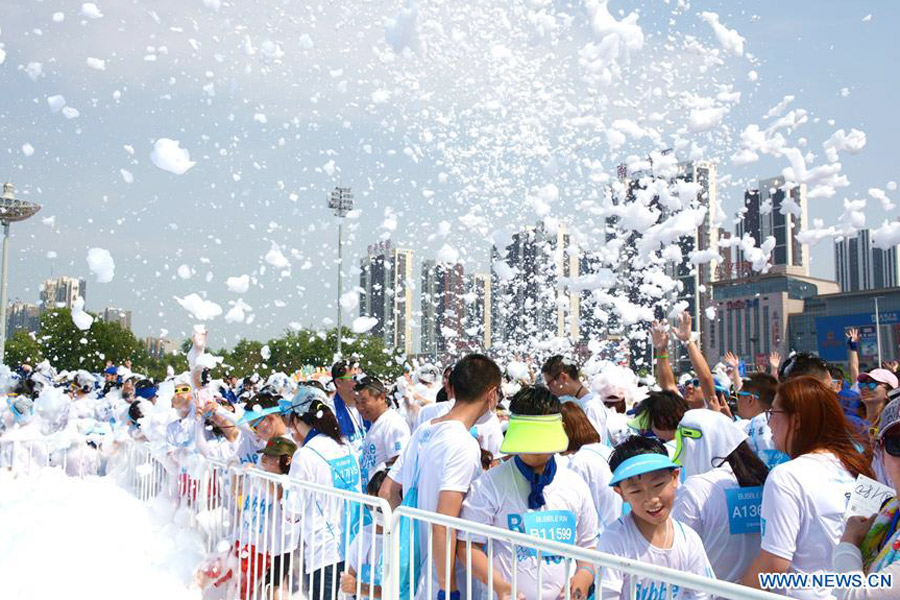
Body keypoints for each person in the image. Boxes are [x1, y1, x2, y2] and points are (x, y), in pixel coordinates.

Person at [381, 353, 502, 599]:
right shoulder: (463, 444)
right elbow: (443, 523)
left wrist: (404, 546)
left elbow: (387, 491)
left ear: (453, 387)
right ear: (491, 394)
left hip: (417, 571)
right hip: (450, 577)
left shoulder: (425, 430)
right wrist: (449, 588)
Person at [742, 377, 876, 599]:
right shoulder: (855, 466)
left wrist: (729, 594)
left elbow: (774, 563)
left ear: (796, 421)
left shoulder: (786, 477)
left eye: (773, 413)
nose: (768, 423)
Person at [460, 386, 599, 599]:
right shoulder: (488, 485)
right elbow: (469, 546)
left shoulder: (575, 485)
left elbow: (588, 545)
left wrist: (583, 577)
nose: (534, 448)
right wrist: (500, 586)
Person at [597, 436, 714, 600]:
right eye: (636, 491)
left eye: (658, 485)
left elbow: (702, 595)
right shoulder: (614, 540)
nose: (651, 499)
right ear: (621, 493)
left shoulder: (689, 539)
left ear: (674, 478)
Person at [282, 385, 362, 600]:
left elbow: (293, 511)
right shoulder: (345, 446)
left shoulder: (305, 455)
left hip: (324, 550)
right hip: (353, 544)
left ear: (298, 420)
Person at [671, 409, 769, 583]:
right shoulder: (764, 479)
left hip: (711, 592)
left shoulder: (696, 488)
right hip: (762, 591)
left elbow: (679, 554)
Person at [833, 398, 900, 599]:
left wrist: (848, 542)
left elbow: (859, 596)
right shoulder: (890, 510)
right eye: (898, 444)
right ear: (880, 452)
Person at [232, 436, 299, 600]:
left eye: (271, 456)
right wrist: (236, 469)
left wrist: (257, 473)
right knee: (245, 585)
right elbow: (236, 493)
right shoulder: (259, 475)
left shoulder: (287, 481)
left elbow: (278, 493)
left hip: (279, 547)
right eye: (265, 454)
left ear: (287, 460)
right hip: (255, 544)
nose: (265, 458)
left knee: (272, 588)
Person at [560, 402, 622, 535]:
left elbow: (572, 507)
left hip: (599, 535)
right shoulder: (606, 450)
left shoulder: (579, 462)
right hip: (619, 529)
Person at [340, 470, 390, 599]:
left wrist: (361, 588)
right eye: (370, 505)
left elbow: (400, 590)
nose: (374, 511)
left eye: (379, 507)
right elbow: (349, 578)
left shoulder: (403, 541)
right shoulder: (364, 535)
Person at [355, 375, 410, 487]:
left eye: (364, 401)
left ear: (381, 398)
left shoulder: (392, 423)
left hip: (383, 499)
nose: (360, 407)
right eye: (356, 402)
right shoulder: (376, 423)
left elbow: (400, 463)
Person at [541, 355, 608, 443]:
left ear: (563, 377)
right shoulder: (582, 402)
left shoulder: (590, 406)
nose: (549, 389)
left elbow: (595, 444)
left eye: (549, 383)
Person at [331, 360, 367, 451]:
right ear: (338, 382)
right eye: (354, 378)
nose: (359, 382)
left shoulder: (368, 406)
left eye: (360, 377)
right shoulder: (331, 411)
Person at [858, 368, 899, 433]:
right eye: (862, 384)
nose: (864, 388)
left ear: (889, 392)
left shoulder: (892, 426)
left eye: (872, 384)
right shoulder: (854, 422)